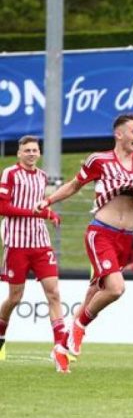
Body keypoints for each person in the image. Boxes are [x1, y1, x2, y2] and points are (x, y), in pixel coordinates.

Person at [37, 113, 133, 363]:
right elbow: (74, 185)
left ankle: (61, 348)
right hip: (102, 233)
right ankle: (79, 328)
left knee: (94, 291)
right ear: (119, 134)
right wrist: (48, 200)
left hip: (126, 238)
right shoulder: (100, 160)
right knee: (115, 288)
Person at [0, 136, 66, 372]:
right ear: (19, 154)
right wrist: (39, 214)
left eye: (34, 150)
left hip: (40, 243)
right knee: (15, 298)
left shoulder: (42, 176)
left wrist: (51, 213)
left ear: (39, 153)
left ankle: (60, 349)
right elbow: (3, 207)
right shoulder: (10, 173)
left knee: (54, 293)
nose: (30, 153)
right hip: (16, 244)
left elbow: (40, 207)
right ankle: (0, 334)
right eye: (26, 150)